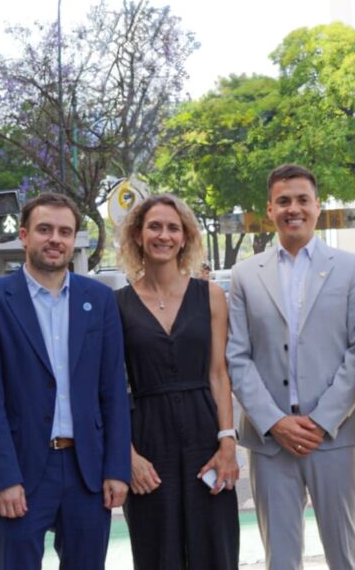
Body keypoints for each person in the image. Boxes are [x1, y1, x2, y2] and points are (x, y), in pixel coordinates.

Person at [0, 192, 131, 568]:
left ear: (73, 240)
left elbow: (114, 392)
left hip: (87, 472)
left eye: (64, 231)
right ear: (24, 235)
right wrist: (3, 478)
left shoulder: (99, 300)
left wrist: (116, 469)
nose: (55, 239)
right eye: (45, 229)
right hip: (20, 471)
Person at [227, 164, 355, 570]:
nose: (294, 209)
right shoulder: (245, 275)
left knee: (347, 557)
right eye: (284, 201)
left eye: (303, 200)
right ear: (270, 209)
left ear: (318, 206)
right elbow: (237, 356)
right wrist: (274, 422)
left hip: (335, 436)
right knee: (281, 560)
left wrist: (322, 420)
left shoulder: (351, 268)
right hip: (271, 441)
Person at [115, 194, 240, 569]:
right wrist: (128, 456)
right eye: (154, 227)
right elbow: (111, 387)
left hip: (205, 434)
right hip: (147, 438)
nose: (163, 235)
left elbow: (219, 373)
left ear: (185, 237)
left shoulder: (211, 296)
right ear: (137, 235)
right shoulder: (117, 305)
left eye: (173, 228)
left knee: (215, 549)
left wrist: (228, 442)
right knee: (157, 553)